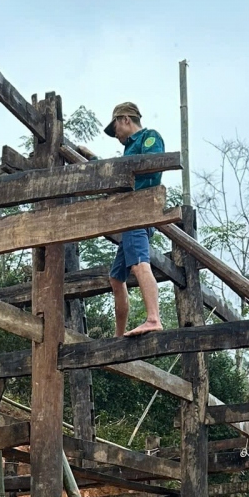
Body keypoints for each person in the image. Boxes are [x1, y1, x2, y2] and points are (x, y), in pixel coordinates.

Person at [104, 101, 164, 337]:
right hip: (129, 214)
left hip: (139, 211)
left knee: (139, 263)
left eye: (115, 127)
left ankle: (153, 318)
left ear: (125, 120)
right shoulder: (128, 149)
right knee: (116, 277)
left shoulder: (149, 137)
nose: (115, 134)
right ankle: (119, 334)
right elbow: (119, 175)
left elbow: (152, 166)